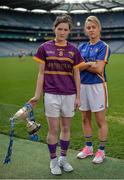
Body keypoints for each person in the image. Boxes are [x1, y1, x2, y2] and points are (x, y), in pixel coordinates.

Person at [29, 14, 91, 175]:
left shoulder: (74, 50)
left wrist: (78, 97)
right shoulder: (44, 48)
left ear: (69, 31)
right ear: (54, 29)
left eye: (65, 30)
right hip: (51, 95)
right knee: (53, 129)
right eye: (59, 29)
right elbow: (41, 74)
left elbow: (77, 74)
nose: (62, 32)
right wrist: (37, 95)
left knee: (65, 128)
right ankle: (53, 161)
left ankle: (63, 158)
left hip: (69, 95)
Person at [77, 16, 111, 164]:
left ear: (99, 29)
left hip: (97, 86)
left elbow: (98, 68)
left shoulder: (104, 46)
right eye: (88, 27)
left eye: (93, 27)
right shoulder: (81, 47)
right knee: (85, 118)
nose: (91, 30)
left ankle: (101, 151)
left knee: (100, 120)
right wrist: (89, 64)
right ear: (86, 30)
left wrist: (85, 64)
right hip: (83, 86)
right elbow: (76, 67)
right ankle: (88, 148)